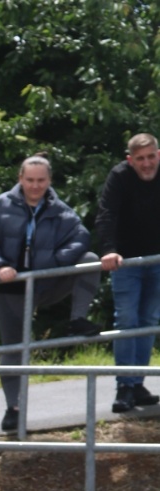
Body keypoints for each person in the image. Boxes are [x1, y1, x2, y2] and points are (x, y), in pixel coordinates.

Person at [0, 155, 101, 432]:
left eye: (41, 180)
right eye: (30, 180)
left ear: (49, 180)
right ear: (20, 179)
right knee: (13, 346)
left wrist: (55, 263)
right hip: (10, 286)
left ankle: (78, 319)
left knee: (91, 260)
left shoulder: (60, 209)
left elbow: (81, 237)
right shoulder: (0, 205)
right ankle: (13, 408)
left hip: (45, 283)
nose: (35, 186)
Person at [96, 133, 160, 413]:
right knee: (127, 320)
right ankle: (124, 385)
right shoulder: (120, 176)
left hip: (157, 260)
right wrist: (109, 250)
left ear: (159, 155)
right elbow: (106, 213)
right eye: (140, 158)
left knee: (148, 321)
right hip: (126, 262)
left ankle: (137, 383)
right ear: (130, 160)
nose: (147, 164)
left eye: (151, 157)